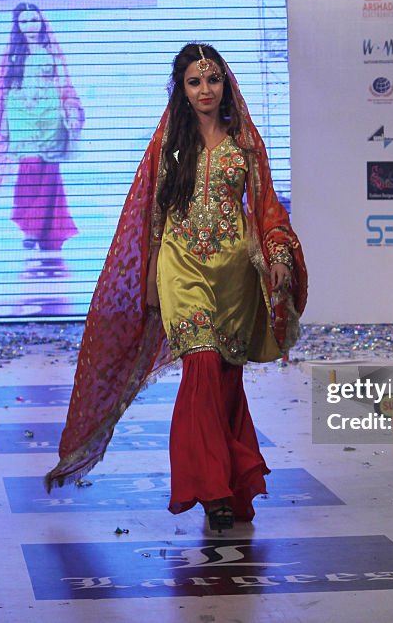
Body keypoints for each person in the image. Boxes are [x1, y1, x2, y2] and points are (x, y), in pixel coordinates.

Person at [44, 43, 306, 532]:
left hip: (234, 275)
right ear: (181, 89)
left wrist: (279, 259)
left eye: (212, 80)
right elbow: (152, 215)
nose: (204, 90)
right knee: (202, 364)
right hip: (180, 266)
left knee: (226, 380)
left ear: (225, 84)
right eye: (194, 81)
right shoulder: (171, 145)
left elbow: (268, 209)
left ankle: (232, 482)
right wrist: (148, 276)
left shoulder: (245, 143)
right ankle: (209, 489)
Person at [0, 3, 84, 276]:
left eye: (34, 20)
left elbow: (63, 84)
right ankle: (30, 227)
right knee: (28, 172)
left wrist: (70, 112)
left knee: (48, 175)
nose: (30, 26)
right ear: (17, 26)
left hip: (49, 119)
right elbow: (2, 91)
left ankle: (43, 232)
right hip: (22, 121)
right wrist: (4, 125)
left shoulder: (52, 52)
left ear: (42, 23)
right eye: (24, 21)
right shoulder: (12, 55)